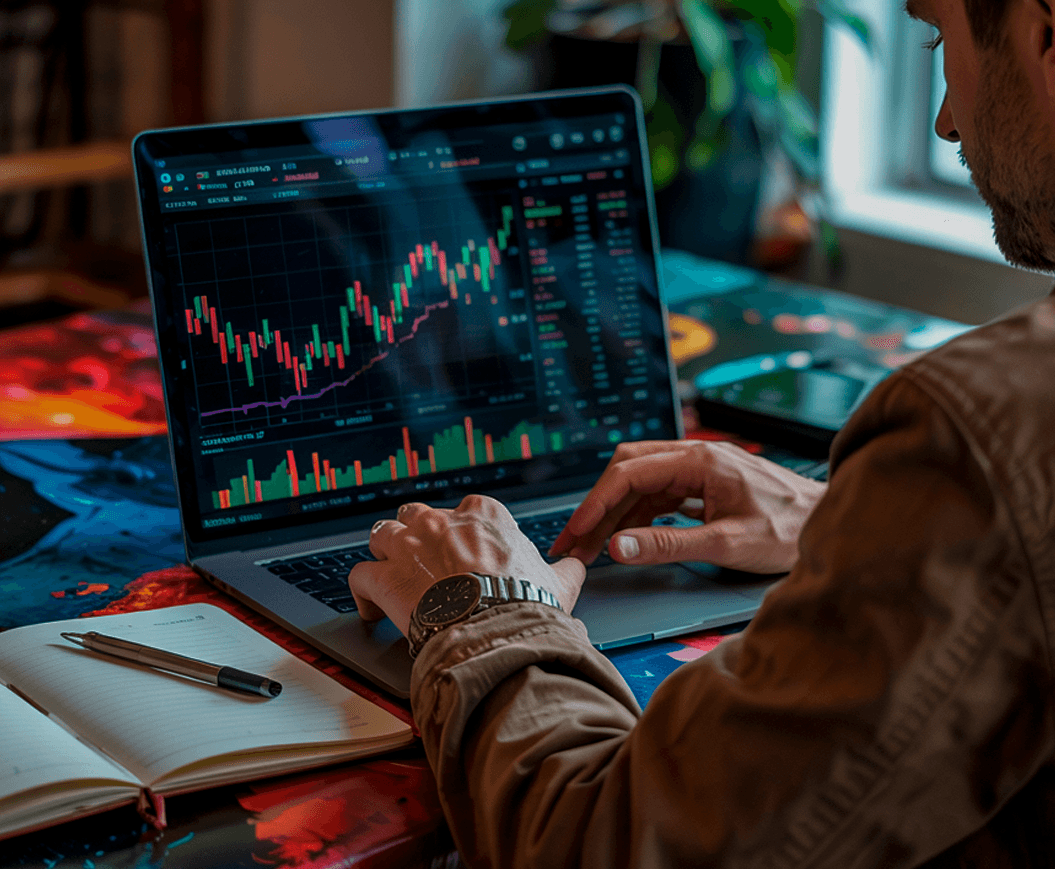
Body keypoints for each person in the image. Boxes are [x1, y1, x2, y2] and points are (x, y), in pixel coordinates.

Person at [348, 0, 1055, 864]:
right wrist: (866, 522)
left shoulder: (983, 430)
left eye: (938, 36)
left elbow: (601, 843)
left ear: (1045, 36)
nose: (944, 119)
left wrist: (480, 609)